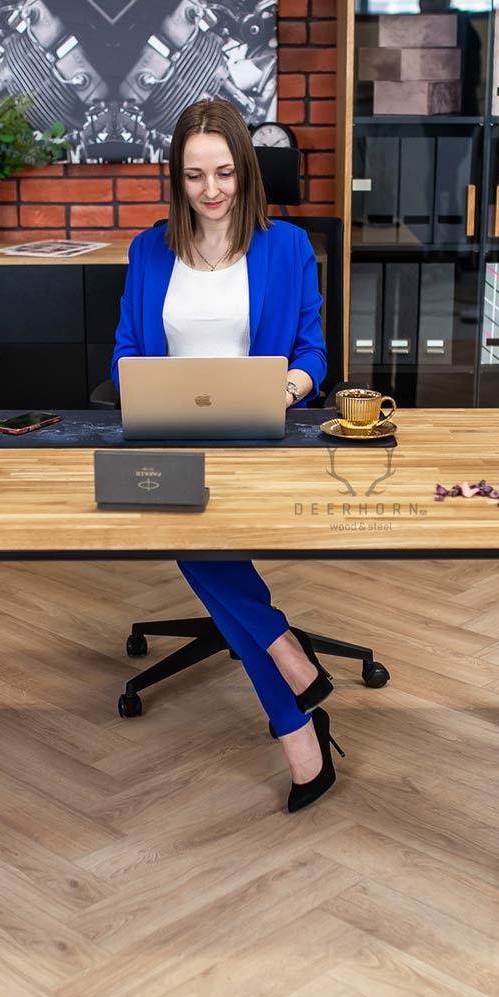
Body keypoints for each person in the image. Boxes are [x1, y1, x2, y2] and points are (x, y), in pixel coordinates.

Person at [110, 98, 345, 813]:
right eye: (193, 176)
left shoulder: (287, 247)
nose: (210, 190)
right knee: (199, 543)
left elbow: (312, 354)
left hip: (256, 440)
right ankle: (289, 675)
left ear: (245, 170)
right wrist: (137, 384)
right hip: (169, 438)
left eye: (223, 173)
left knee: (198, 552)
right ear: (175, 179)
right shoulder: (149, 250)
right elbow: (125, 351)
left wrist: (286, 388)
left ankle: (290, 689)